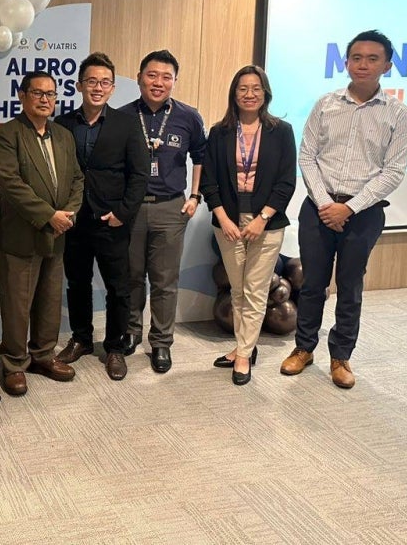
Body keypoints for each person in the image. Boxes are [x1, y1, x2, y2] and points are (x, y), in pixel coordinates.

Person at [281, 30, 407, 389]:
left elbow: (393, 171)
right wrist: (326, 204)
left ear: (387, 65)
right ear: (346, 62)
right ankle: (303, 348)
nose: (364, 64)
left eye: (372, 58)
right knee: (312, 285)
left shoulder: (398, 114)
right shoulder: (326, 104)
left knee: (350, 286)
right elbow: (307, 156)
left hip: (364, 213)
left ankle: (341, 357)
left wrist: (349, 208)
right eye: (357, 57)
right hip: (318, 209)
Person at [200, 65, 296, 385]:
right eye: (243, 88)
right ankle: (245, 345)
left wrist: (262, 218)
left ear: (265, 93)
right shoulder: (220, 132)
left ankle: (243, 355)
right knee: (238, 289)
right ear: (234, 93)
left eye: (256, 88)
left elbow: (286, 182)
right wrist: (224, 219)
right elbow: (209, 182)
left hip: (266, 222)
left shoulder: (280, 131)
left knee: (255, 290)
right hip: (227, 221)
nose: (249, 94)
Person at [54, 53, 147, 380]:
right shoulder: (63, 124)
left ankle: (115, 347)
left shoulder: (126, 123)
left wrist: (123, 213)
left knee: (118, 288)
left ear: (112, 87)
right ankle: (81, 338)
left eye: (104, 82)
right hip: (74, 221)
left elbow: (139, 175)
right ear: (79, 85)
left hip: (113, 221)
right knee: (76, 283)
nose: (97, 87)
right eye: (91, 81)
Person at [0, 71, 84, 395]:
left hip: (57, 234)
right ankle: (14, 363)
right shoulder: (7, 134)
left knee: (49, 300)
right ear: (22, 96)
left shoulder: (63, 136)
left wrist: (68, 214)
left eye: (51, 94)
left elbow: (77, 179)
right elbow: (11, 183)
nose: (45, 99)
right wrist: (49, 216)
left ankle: (44, 355)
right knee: (17, 304)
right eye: (38, 93)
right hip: (20, 237)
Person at [121, 50, 207, 372]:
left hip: (171, 208)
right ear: (140, 76)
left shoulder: (188, 116)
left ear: (174, 81)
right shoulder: (123, 116)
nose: (158, 82)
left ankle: (161, 343)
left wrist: (195, 196)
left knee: (164, 281)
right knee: (131, 278)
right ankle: (130, 332)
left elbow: (201, 156)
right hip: (131, 209)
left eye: (166, 77)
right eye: (152, 75)